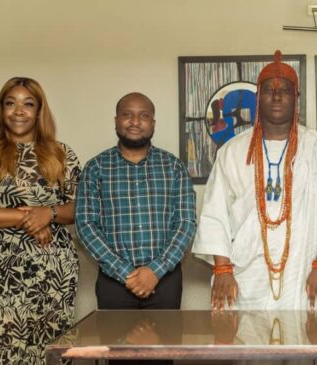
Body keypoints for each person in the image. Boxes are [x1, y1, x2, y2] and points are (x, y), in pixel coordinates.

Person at [192, 50, 317, 310]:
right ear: (258, 98)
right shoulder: (232, 151)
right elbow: (215, 215)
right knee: (246, 345)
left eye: (285, 91)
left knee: (307, 343)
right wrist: (222, 269)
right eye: (269, 90)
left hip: (308, 270)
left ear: (296, 98)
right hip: (246, 276)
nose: (277, 96)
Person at [0, 77, 81, 364]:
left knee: (45, 351)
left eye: (28, 104)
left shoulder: (62, 154)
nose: (19, 111)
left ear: (39, 111)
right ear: (1, 109)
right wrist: (26, 216)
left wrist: (48, 213)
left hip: (50, 276)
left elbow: (80, 208)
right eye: (11, 103)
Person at [75, 92, 197, 365]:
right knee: (119, 358)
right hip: (114, 282)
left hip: (164, 281)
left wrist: (154, 270)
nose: (135, 121)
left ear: (153, 123)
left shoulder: (173, 167)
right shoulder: (95, 168)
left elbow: (186, 223)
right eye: (127, 114)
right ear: (116, 121)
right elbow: (86, 225)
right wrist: (125, 272)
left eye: (143, 116)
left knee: (162, 357)